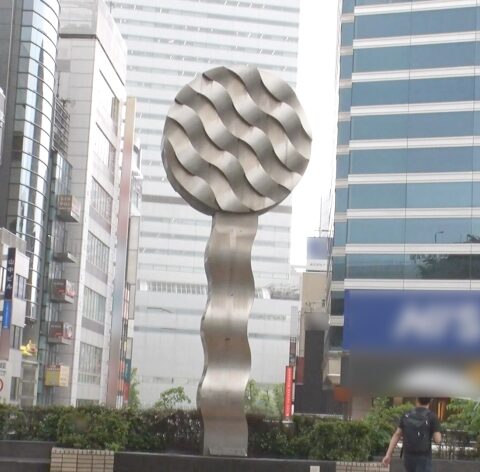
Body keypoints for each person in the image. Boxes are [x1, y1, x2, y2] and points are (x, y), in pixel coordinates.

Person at [382, 397, 442, 472]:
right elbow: (437, 440)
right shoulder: (432, 416)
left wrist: (388, 455)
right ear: (430, 400)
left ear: (416, 399)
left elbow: (397, 434)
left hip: (408, 457)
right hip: (424, 457)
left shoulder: (407, 415)